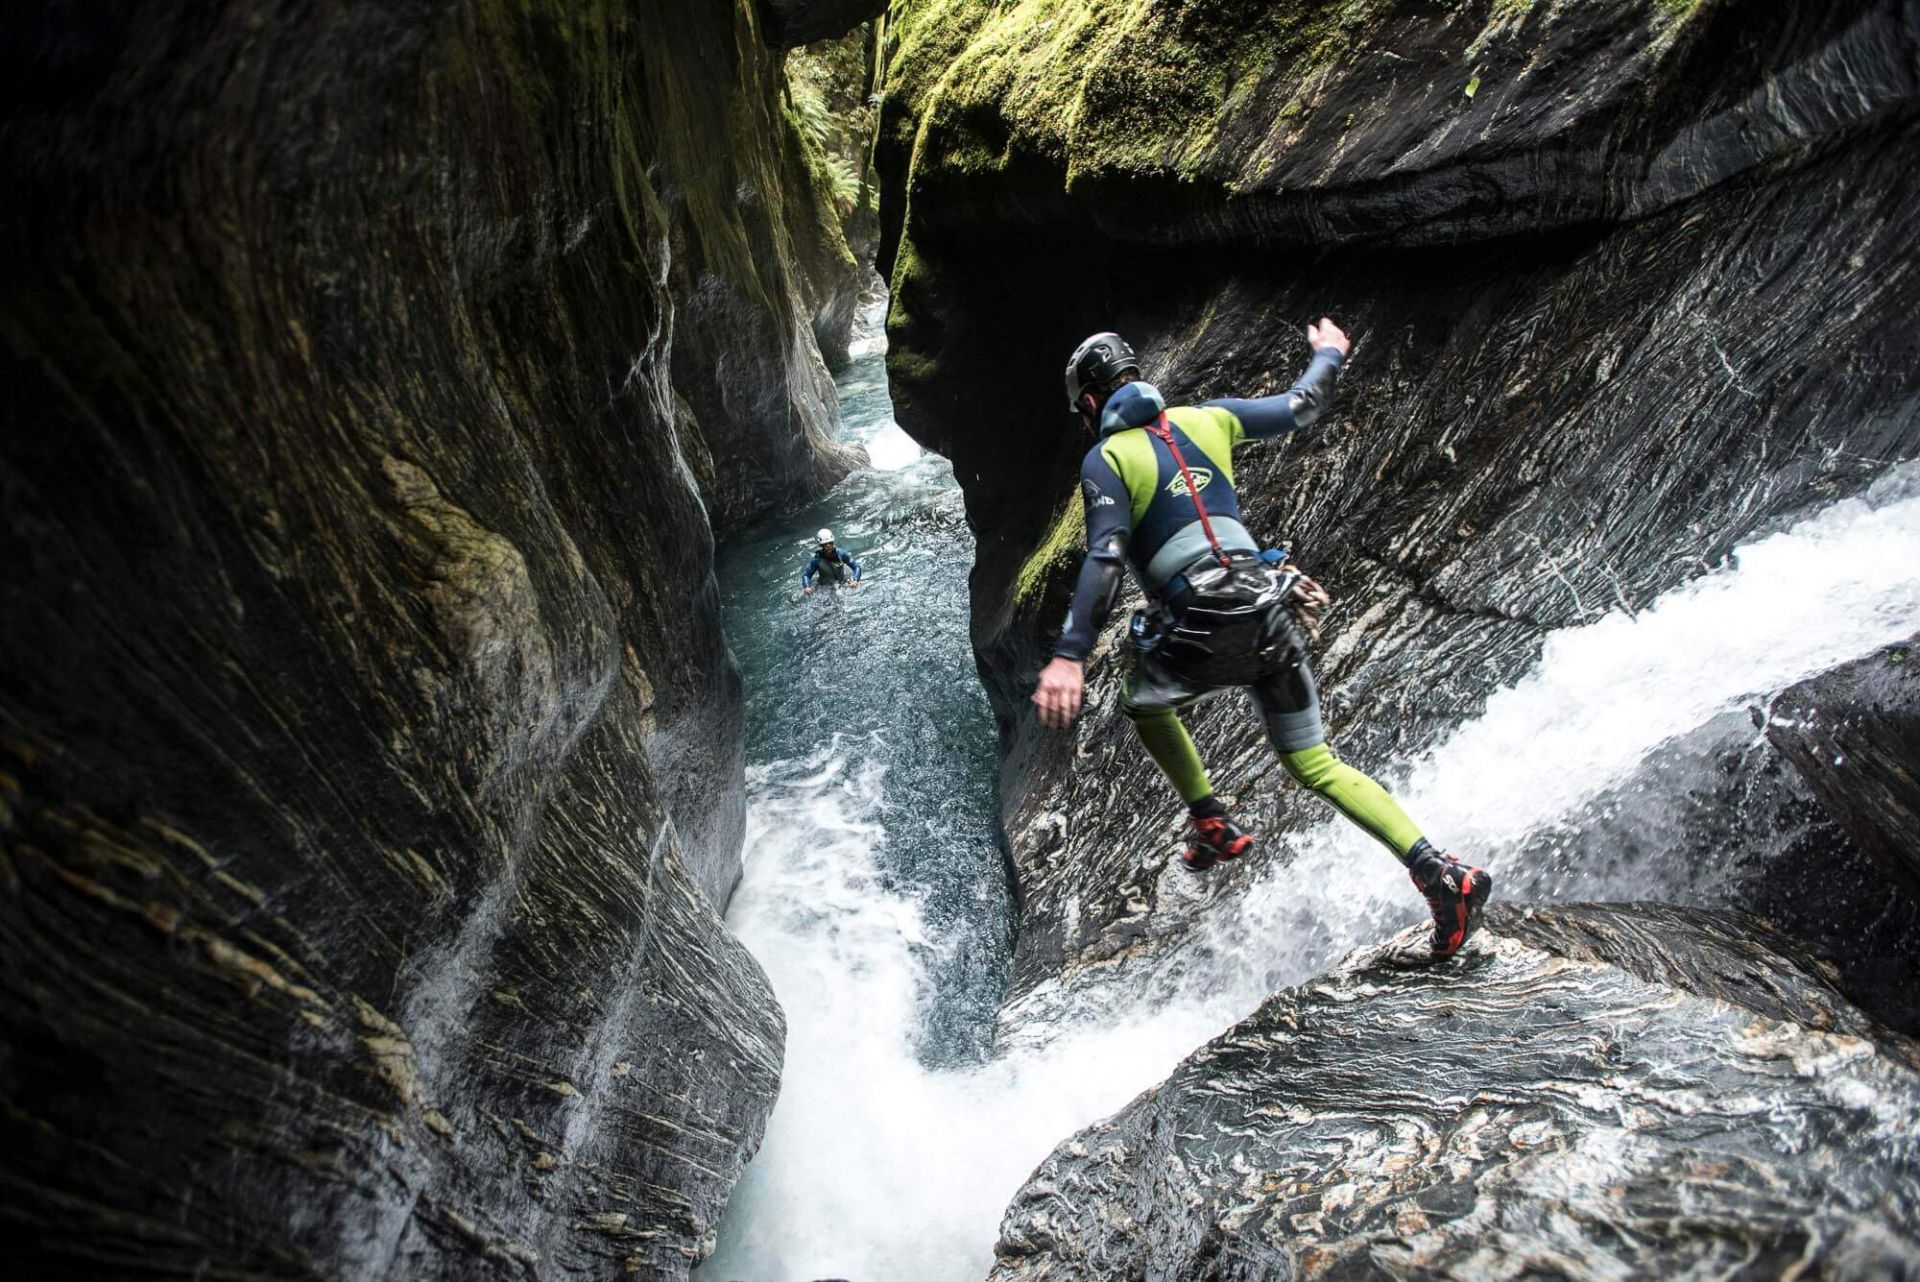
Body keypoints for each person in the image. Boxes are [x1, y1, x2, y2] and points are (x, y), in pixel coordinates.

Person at [1029, 321, 1493, 957]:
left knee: (1142, 700)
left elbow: (1106, 556)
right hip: (1270, 606)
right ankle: (1441, 873)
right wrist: (1328, 351)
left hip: (1200, 622)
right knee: (1316, 763)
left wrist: (1069, 656)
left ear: (1089, 403)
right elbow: (1303, 405)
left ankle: (1211, 821)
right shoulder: (1209, 418)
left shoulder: (1106, 458)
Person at [802, 528, 863, 595]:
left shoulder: (841, 554)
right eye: (825, 544)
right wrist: (806, 586)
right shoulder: (816, 560)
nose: (828, 546)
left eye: (830, 543)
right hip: (825, 586)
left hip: (842, 581)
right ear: (821, 545)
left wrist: (855, 580)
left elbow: (856, 567)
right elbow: (806, 575)